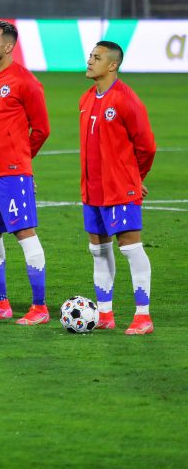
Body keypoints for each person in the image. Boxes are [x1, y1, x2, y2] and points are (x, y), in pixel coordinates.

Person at [0, 19, 51, 324]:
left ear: (8, 46)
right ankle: (1, 302)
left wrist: (21, 163)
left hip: (12, 174)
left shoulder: (25, 82)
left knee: (23, 232)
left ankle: (40, 307)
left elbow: (41, 129)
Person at [79, 41, 157, 335]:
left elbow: (147, 147)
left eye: (96, 58)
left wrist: (134, 179)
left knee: (131, 248)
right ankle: (104, 313)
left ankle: (142, 316)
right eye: (90, 56)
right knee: (98, 250)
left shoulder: (126, 100)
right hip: (92, 190)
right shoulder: (86, 99)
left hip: (119, 190)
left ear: (112, 65)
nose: (90, 62)